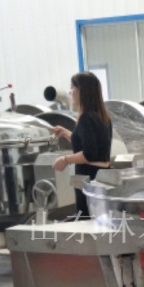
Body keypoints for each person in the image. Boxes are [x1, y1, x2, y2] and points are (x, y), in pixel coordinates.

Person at [51, 72, 112, 217]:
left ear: (81, 91)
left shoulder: (85, 118)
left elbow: (89, 153)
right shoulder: (103, 117)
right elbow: (91, 145)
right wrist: (66, 133)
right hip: (102, 175)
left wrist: (65, 159)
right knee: (100, 218)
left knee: (86, 220)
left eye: (72, 88)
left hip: (88, 177)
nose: (70, 92)